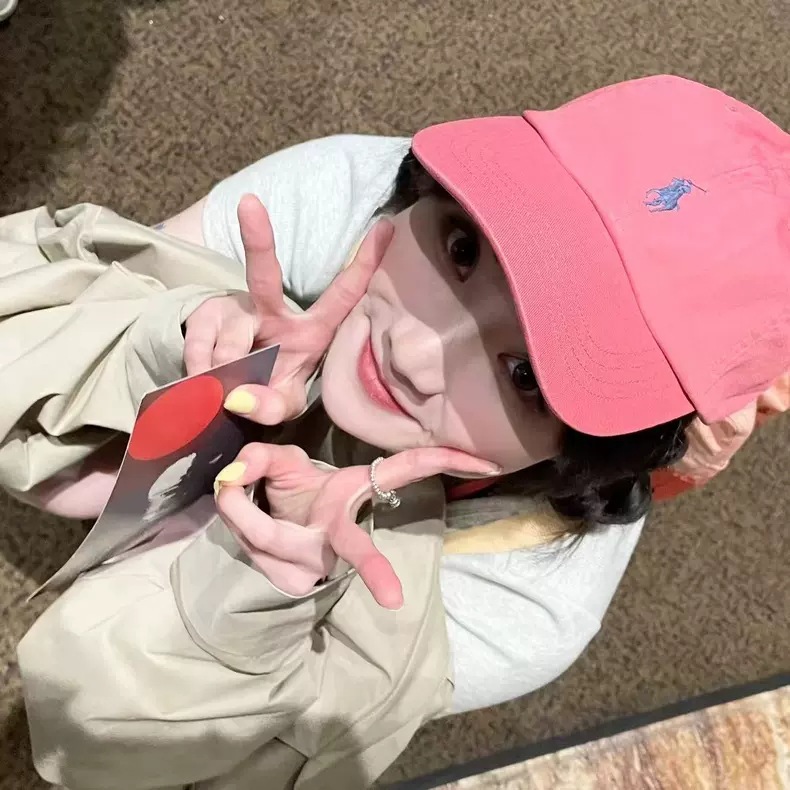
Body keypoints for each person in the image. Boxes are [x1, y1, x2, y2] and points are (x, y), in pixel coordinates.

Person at [5, 74, 789, 789]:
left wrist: (260, 594)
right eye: (462, 248)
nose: (414, 351)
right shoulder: (350, 193)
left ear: (590, 451)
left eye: (527, 376)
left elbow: (102, 744)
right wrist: (181, 352)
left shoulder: (529, 602)